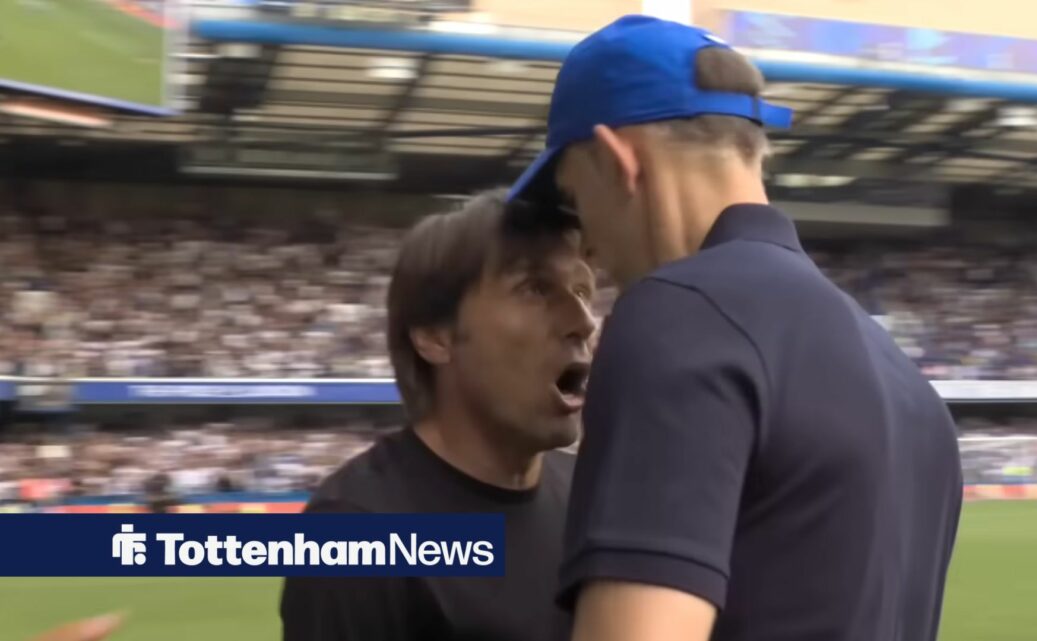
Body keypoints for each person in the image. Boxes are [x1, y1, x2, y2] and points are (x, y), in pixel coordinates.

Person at [508, 15, 964, 641]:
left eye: (574, 198)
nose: (584, 244)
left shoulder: (677, 315)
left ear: (618, 162)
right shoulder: (911, 387)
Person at [280, 188, 597, 641]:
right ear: (435, 335)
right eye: (535, 288)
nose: (583, 320)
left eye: (583, 291)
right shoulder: (355, 531)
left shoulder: (591, 498)